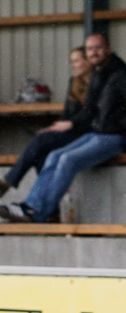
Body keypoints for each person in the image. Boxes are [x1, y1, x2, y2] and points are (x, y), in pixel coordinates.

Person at [0, 33, 126, 224]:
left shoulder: (119, 74)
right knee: (54, 156)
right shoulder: (99, 74)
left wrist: (119, 127)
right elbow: (89, 110)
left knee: (68, 159)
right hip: (97, 133)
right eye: (90, 49)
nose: (94, 52)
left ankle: (37, 212)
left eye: (98, 48)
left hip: (115, 138)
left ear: (108, 49)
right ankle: (29, 206)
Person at [0, 46, 93, 202]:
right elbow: (67, 114)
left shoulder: (98, 83)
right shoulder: (74, 82)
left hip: (87, 134)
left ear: (87, 62)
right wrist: (54, 127)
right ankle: (50, 208)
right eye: (71, 61)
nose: (73, 65)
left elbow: (92, 114)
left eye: (76, 61)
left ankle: (9, 181)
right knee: (41, 152)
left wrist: (70, 124)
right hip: (71, 131)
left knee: (41, 142)